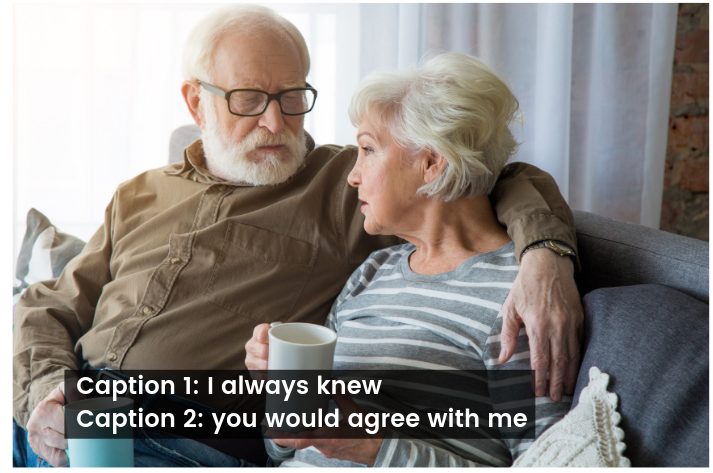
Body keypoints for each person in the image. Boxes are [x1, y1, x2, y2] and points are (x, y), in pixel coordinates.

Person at [13, 5, 581, 468]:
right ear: (196, 101)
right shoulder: (139, 192)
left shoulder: (345, 187)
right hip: (70, 411)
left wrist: (545, 253)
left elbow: (494, 174)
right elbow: (48, 306)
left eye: (291, 97)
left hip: (177, 438)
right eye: (249, 100)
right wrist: (46, 394)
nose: (275, 122)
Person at [244, 51, 571, 467]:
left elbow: (545, 461)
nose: (352, 175)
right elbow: (286, 448)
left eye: (368, 149)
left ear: (431, 162)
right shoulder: (373, 273)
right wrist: (283, 394)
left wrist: (372, 447)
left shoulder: (521, 296)